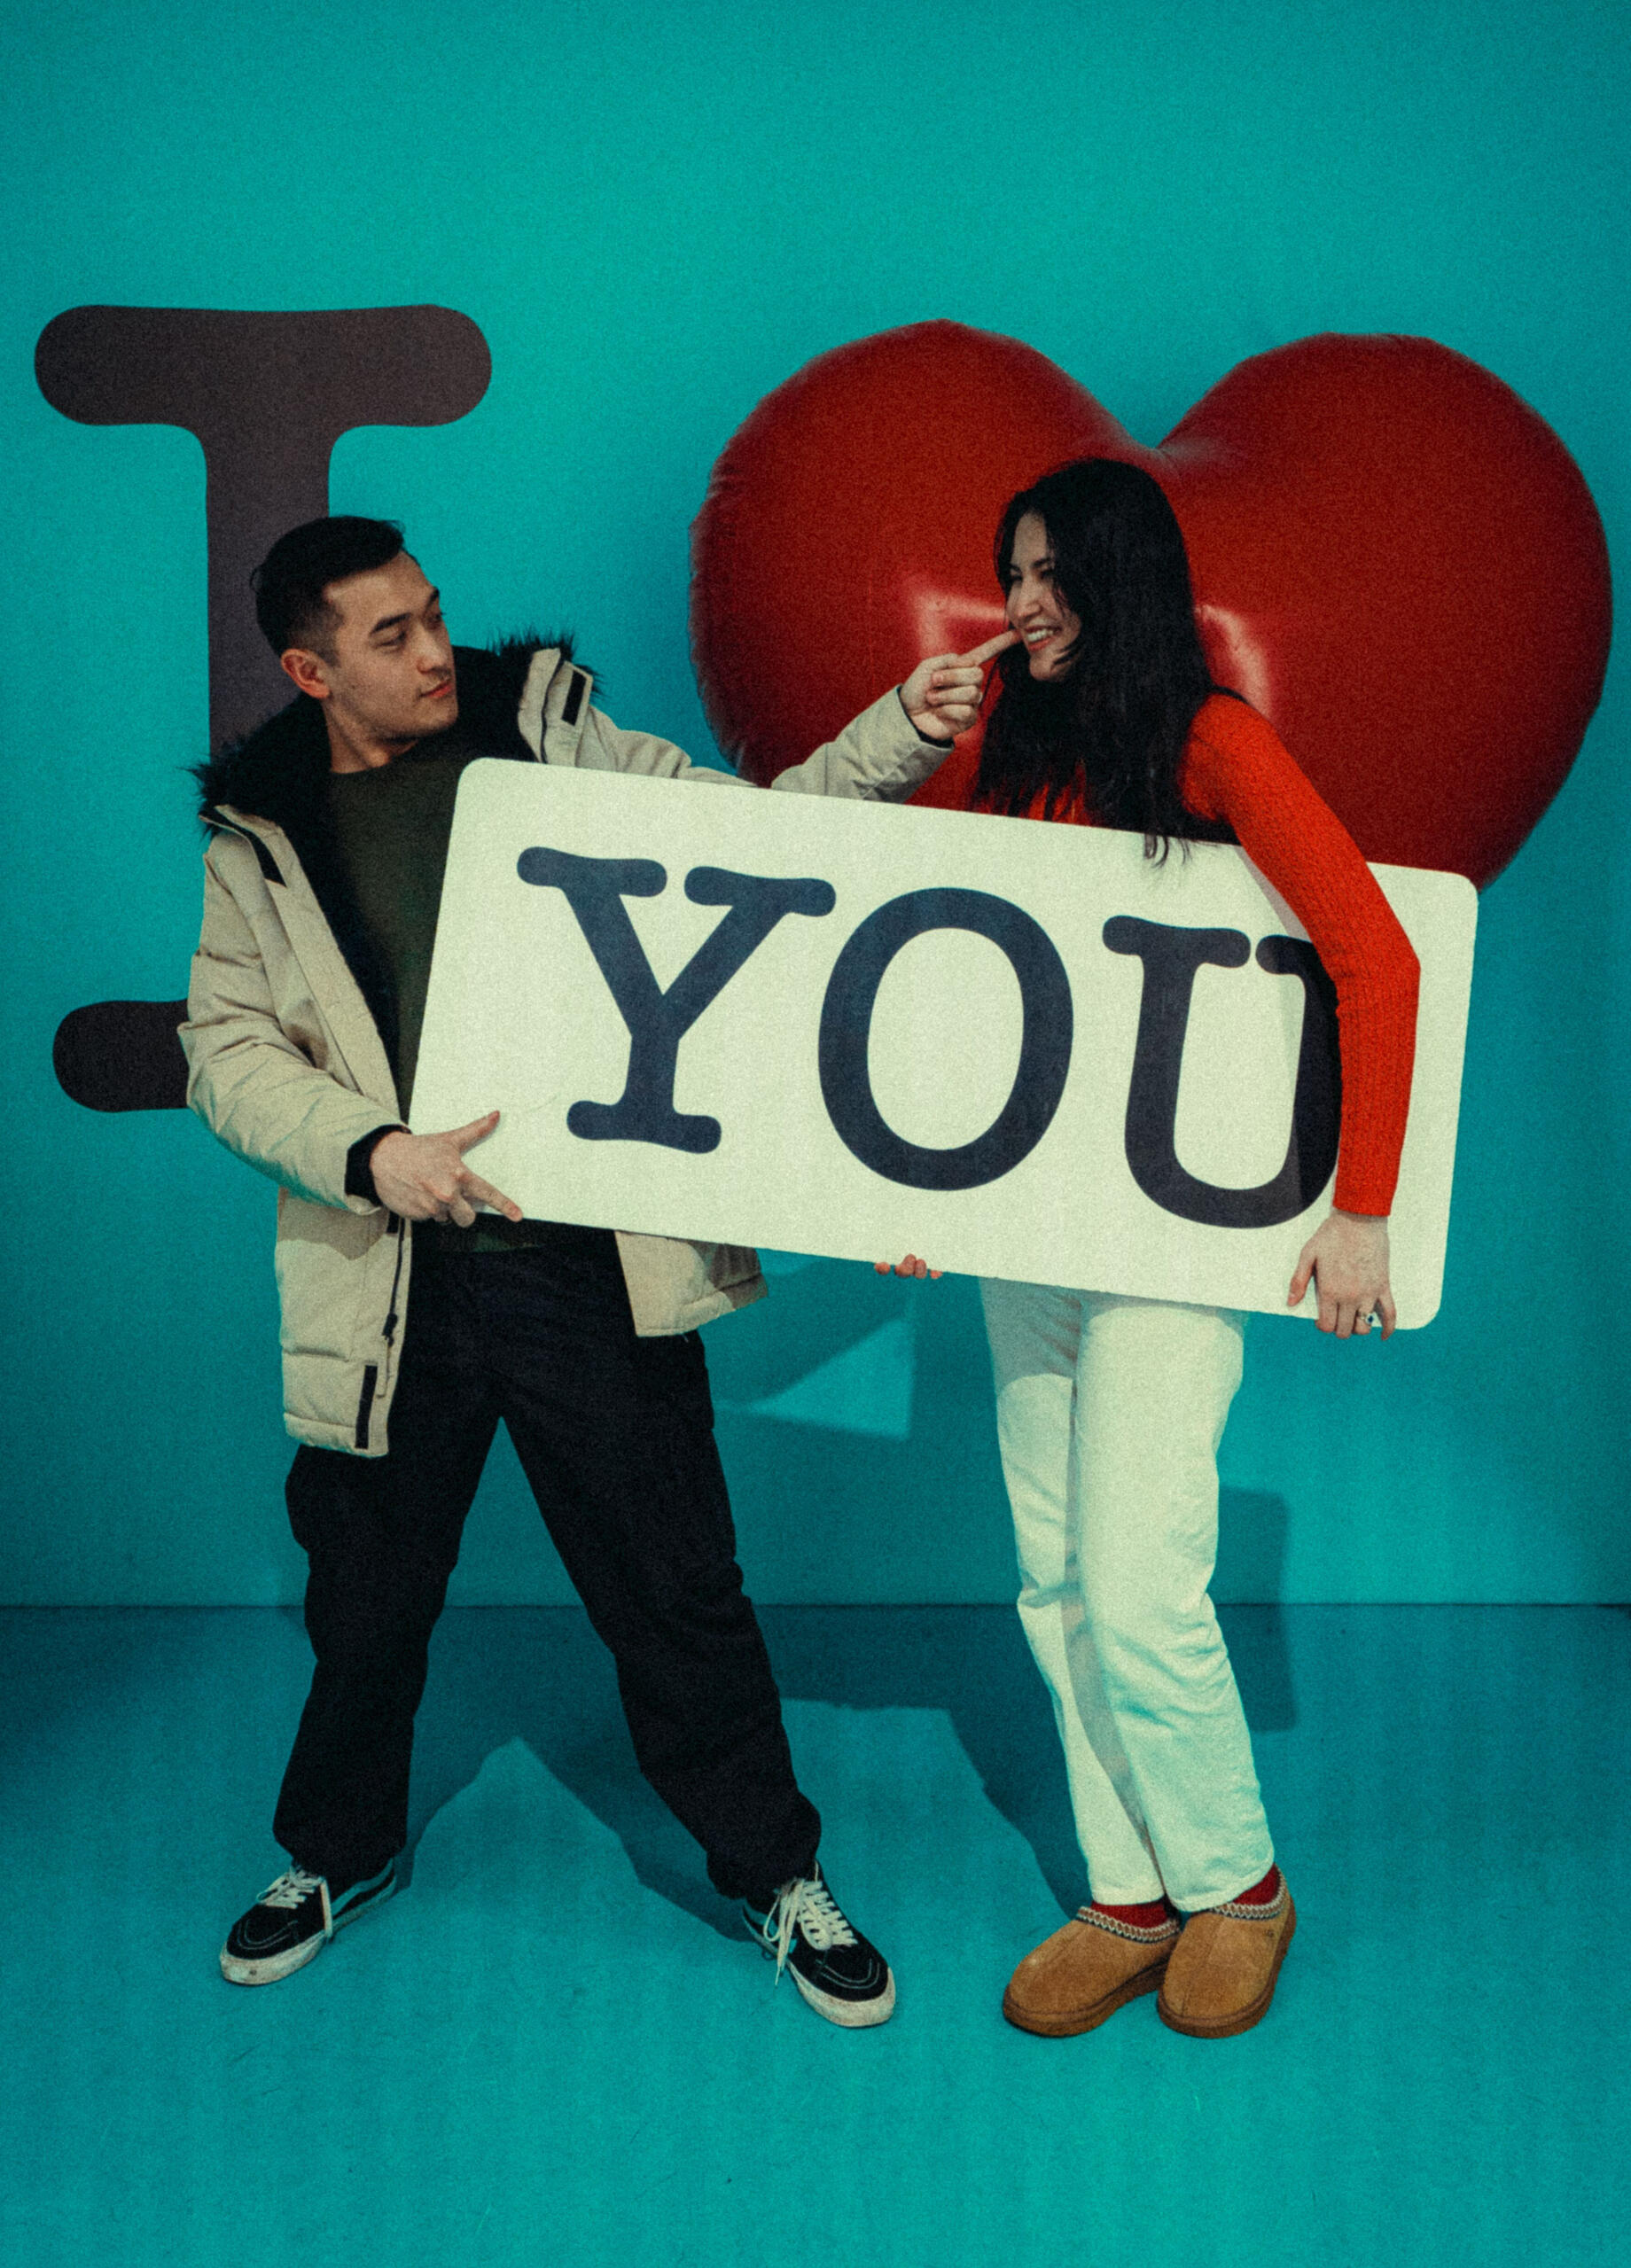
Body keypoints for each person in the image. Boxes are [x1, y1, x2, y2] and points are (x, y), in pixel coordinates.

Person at [184, 514, 1004, 2024]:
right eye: (388, 636)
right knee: (364, 1604)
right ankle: (335, 1852)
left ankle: (775, 1872)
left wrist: (902, 727)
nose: (435, 651)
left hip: (586, 1262)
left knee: (678, 1591)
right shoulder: (262, 841)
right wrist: (374, 1151)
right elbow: (224, 1052)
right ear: (309, 672)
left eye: (434, 613)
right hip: (391, 1276)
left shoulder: (555, 739)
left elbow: (757, 844)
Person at [886, 457, 1419, 2039]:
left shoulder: (1209, 742)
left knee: (1137, 1585)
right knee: (1051, 1576)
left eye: (1051, 573)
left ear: (1120, 579)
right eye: (1012, 573)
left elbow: (1375, 961)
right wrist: (899, 1191)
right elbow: (907, 951)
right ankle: (1130, 1891)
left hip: (1172, 1244)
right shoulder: (1006, 743)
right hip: (1026, 1228)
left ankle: (1238, 1884)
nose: (1024, 603)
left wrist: (1364, 1208)